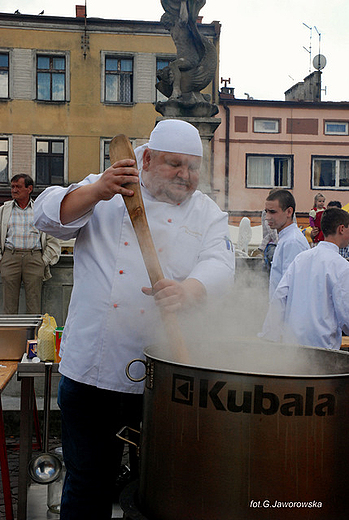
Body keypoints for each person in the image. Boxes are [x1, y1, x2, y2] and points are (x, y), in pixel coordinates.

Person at [33, 119, 235, 520]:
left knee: (157, 485)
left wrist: (190, 289)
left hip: (165, 376)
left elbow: (220, 262)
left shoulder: (206, 212)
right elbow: (46, 216)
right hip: (93, 370)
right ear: (145, 158)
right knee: (88, 481)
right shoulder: (108, 187)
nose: (186, 175)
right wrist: (96, 189)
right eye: (173, 164)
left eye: (193, 166)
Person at [259, 207, 349, 350]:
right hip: (323, 349)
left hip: (292, 348)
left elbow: (280, 296)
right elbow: (346, 312)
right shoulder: (341, 266)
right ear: (342, 229)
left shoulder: (301, 258)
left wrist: (270, 335)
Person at [0, 174, 60, 314]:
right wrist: (2, 259)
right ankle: (11, 336)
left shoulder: (39, 210)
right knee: (9, 305)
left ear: (29, 188)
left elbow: (52, 237)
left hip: (34, 257)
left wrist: (43, 261)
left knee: (34, 303)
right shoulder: (4, 210)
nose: (14, 190)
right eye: (12, 187)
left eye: (18, 187)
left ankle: (34, 335)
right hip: (10, 256)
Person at [264, 189, 309, 300]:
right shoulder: (286, 238)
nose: (267, 217)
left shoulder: (292, 241)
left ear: (289, 212)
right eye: (266, 212)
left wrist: (276, 316)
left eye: (272, 212)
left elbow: (288, 290)